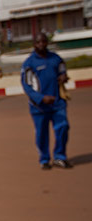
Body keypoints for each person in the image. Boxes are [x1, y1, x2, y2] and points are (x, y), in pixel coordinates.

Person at [20, 33, 72, 170]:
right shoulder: (29, 64)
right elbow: (27, 86)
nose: (41, 44)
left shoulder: (56, 59)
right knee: (42, 134)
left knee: (63, 127)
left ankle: (60, 157)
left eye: (44, 41)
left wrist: (63, 77)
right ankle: (44, 159)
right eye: (38, 42)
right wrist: (41, 98)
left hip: (57, 103)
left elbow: (63, 71)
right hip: (39, 107)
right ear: (34, 44)